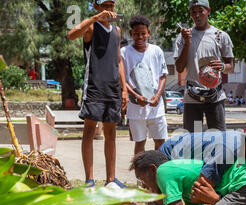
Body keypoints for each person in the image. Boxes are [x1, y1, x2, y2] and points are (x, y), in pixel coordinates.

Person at [68, 0, 128, 188]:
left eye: (111, 6)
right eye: (104, 6)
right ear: (96, 6)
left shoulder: (117, 31)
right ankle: (89, 179)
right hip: (94, 86)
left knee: (111, 133)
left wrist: (124, 88)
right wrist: (95, 18)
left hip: (112, 89)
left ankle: (111, 179)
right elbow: (71, 35)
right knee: (89, 131)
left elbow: (119, 60)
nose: (108, 9)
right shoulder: (91, 27)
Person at [174, 0, 235, 132]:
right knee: (193, 140)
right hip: (192, 98)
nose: (197, 15)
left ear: (208, 11)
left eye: (200, 11)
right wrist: (187, 43)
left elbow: (231, 66)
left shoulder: (220, 36)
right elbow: (179, 68)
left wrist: (223, 66)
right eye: (193, 12)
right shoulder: (183, 37)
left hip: (215, 96)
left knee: (218, 139)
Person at [121, 15, 169, 154]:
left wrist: (158, 96)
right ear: (131, 34)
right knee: (140, 142)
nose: (140, 36)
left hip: (156, 107)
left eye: (143, 33)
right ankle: (140, 175)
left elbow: (163, 75)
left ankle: (159, 172)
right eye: (136, 34)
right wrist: (136, 96)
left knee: (160, 142)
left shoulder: (156, 50)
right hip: (136, 108)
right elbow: (122, 79)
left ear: (148, 33)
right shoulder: (124, 52)